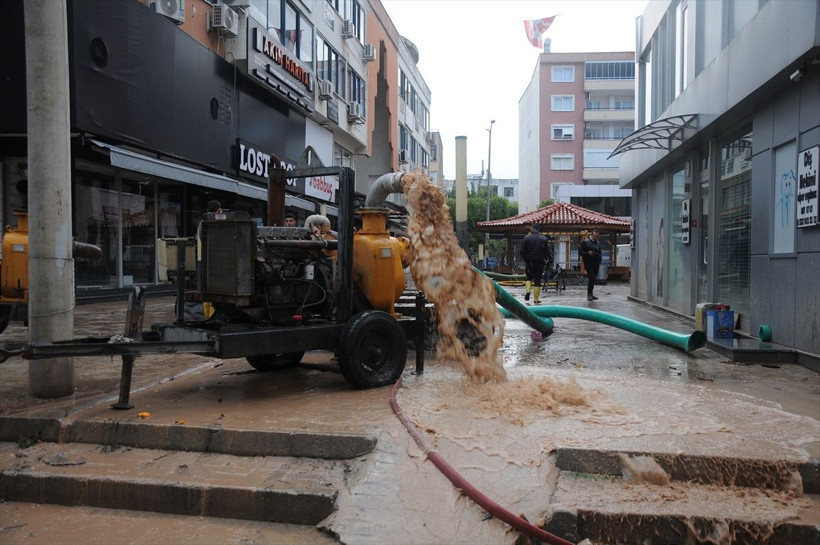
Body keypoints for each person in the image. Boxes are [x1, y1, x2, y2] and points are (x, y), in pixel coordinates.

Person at [520, 224, 551, 304]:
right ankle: (536, 299)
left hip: (529, 261)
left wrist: (526, 259)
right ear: (539, 230)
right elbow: (548, 252)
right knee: (537, 280)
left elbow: (522, 251)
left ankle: (528, 291)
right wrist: (549, 261)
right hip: (540, 262)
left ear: (532, 229)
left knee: (529, 278)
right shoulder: (544, 239)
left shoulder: (526, 238)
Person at [580, 229, 603, 301]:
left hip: (596, 263)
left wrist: (600, 260)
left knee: (593, 279)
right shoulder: (586, 242)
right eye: (594, 236)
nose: (595, 237)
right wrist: (587, 253)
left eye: (597, 236)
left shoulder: (598, 243)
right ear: (591, 235)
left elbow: (600, 252)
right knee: (592, 277)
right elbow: (580, 252)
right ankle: (589, 294)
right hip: (588, 263)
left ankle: (591, 293)